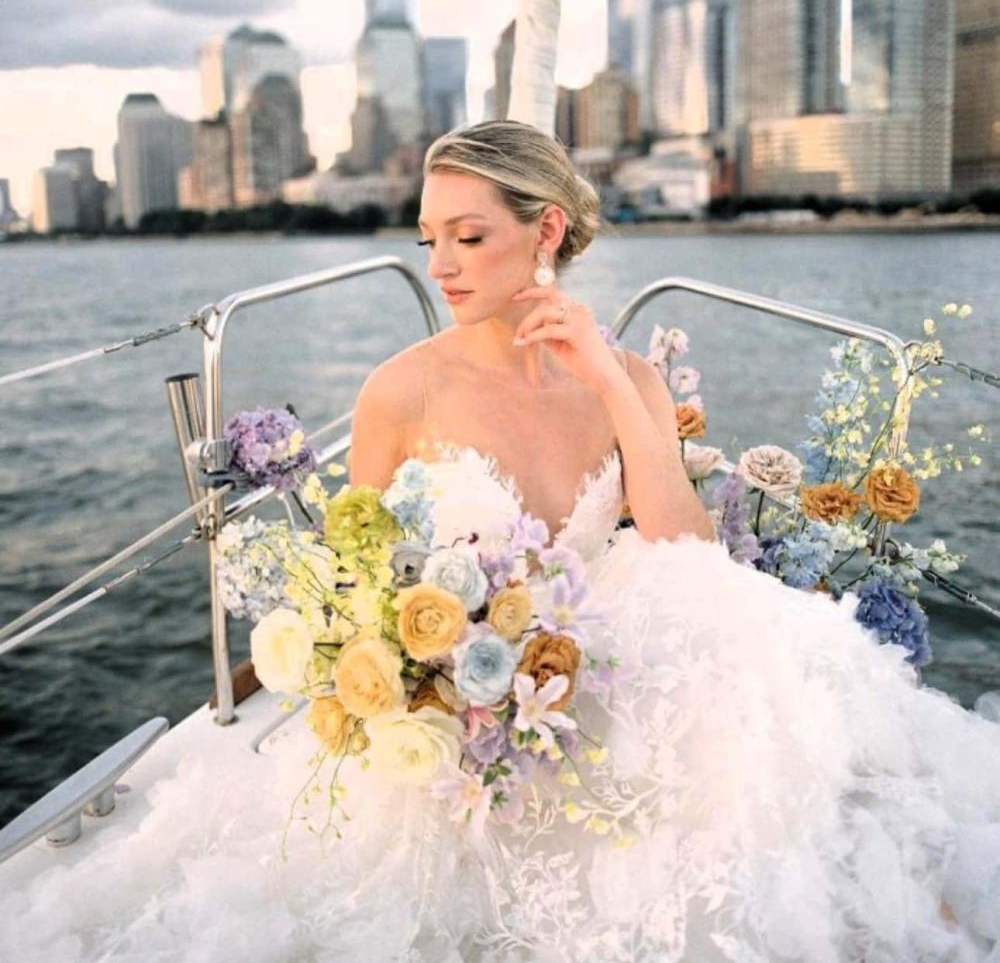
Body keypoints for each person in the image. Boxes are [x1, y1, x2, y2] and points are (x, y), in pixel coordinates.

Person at [3, 121, 999, 962]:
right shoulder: (401, 388)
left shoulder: (631, 382)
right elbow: (355, 578)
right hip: (468, 692)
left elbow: (686, 545)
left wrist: (613, 381)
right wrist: (414, 667)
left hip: (610, 646)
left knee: (764, 787)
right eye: (429, 236)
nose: (439, 265)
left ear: (545, 230)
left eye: (467, 237)